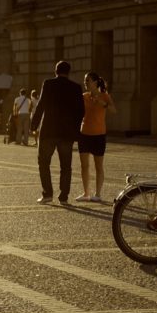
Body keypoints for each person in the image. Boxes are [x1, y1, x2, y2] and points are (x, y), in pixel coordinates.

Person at [30, 61, 85, 205]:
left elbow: (41, 105)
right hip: (67, 133)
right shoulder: (76, 87)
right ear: (69, 72)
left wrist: (34, 125)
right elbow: (81, 111)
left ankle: (47, 194)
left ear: (56, 71)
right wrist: (76, 129)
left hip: (49, 130)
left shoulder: (48, 84)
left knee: (43, 162)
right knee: (66, 166)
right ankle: (64, 197)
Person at [75, 72, 116, 202]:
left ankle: (97, 194)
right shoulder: (83, 97)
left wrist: (102, 103)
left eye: (88, 80)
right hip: (84, 134)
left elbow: (114, 111)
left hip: (99, 134)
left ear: (95, 82)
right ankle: (86, 193)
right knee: (84, 166)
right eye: (85, 80)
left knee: (98, 166)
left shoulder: (105, 95)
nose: (85, 83)